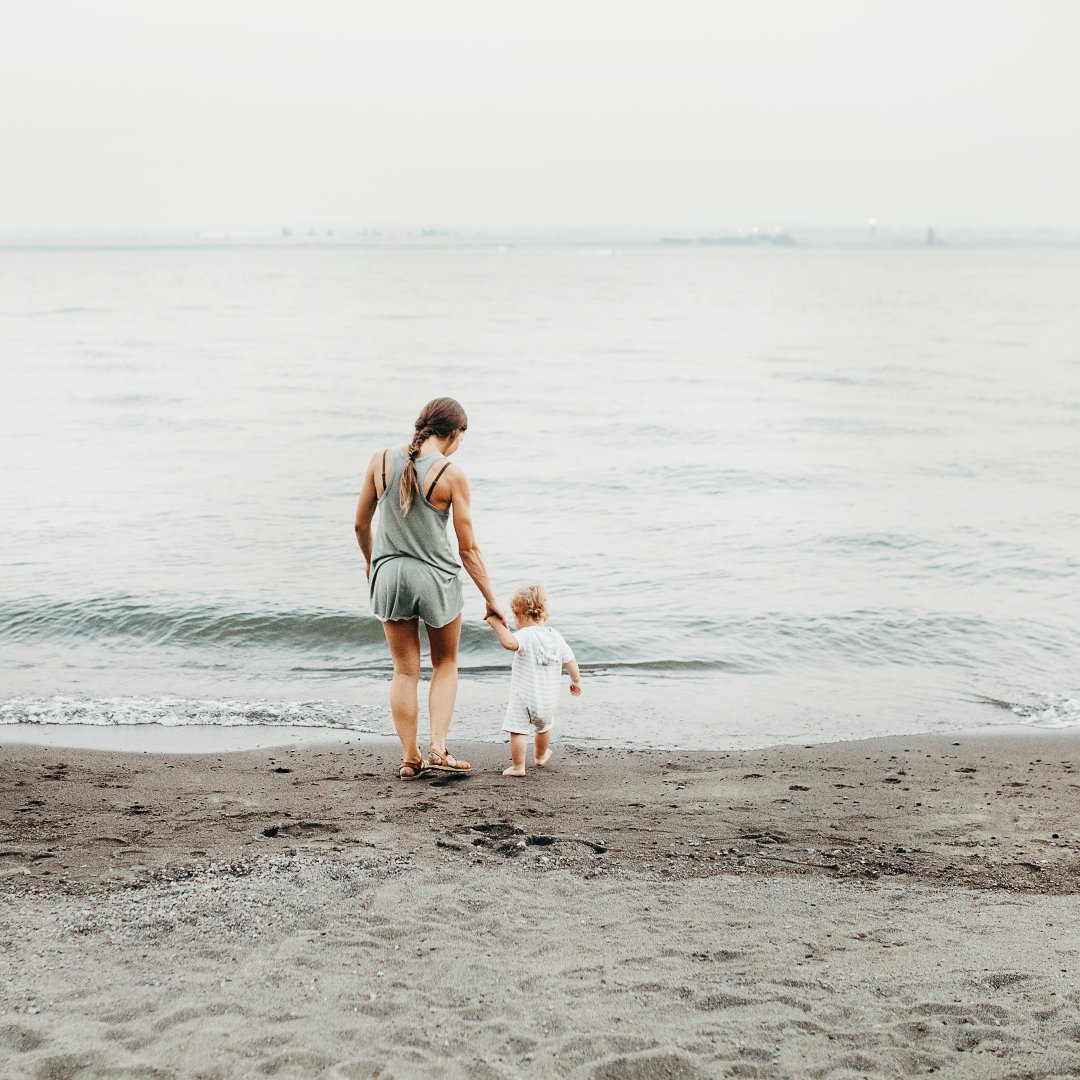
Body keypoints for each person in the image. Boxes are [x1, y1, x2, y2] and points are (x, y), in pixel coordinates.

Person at [354, 397, 506, 780]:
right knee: (445, 664)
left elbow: (360, 525)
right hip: (435, 577)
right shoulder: (451, 475)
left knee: (404, 671)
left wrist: (374, 564)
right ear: (453, 434)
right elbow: (468, 548)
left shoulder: (380, 460)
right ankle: (438, 746)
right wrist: (492, 599)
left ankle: (410, 757)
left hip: (390, 575)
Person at [484, 584, 582, 777]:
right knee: (544, 727)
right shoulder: (556, 636)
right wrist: (576, 680)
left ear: (519, 614)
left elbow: (509, 643)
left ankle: (519, 767)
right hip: (549, 698)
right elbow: (570, 660)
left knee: (518, 730)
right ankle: (540, 756)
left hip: (525, 697)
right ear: (542, 614)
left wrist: (496, 624)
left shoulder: (525, 635)